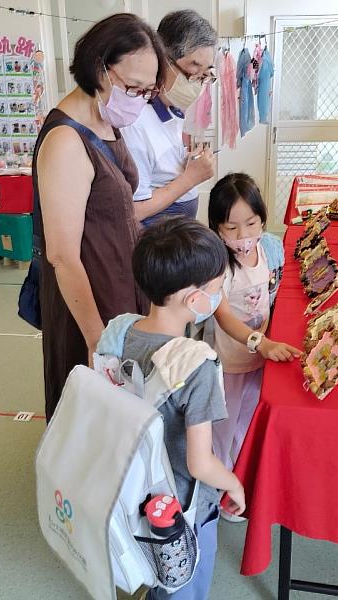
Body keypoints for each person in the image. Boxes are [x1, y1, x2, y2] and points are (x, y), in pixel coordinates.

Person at [33, 13, 166, 419]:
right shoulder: (65, 142)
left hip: (123, 281)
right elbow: (62, 255)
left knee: (127, 410)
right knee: (97, 409)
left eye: (147, 91)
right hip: (91, 294)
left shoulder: (107, 119)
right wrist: (97, 339)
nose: (139, 100)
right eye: (133, 87)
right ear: (99, 68)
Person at [112, 217, 245, 599]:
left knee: (154, 575)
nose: (217, 298)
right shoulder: (197, 365)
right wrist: (234, 484)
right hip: (182, 508)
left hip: (133, 491)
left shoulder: (122, 332)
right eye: (217, 290)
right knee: (184, 584)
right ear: (194, 300)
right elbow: (199, 464)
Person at [207, 173, 301, 515]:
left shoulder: (268, 249)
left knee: (246, 422)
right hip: (230, 362)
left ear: (263, 217)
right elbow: (223, 316)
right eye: (231, 227)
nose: (243, 235)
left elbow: (271, 296)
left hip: (260, 359)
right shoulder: (218, 265)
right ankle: (217, 494)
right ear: (217, 228)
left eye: (251, 222)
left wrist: (267, 340)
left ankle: (239, 482)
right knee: (222, 428)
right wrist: (259, 342)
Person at [120, 10, 217, 227]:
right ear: (163, 60)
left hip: (176, 233)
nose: (198, 84)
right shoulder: (135, 121)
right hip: (156, 241)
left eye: (205, 75)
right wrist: (190, 178)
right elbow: (134, 211)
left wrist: (189, 163)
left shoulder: (172, 108)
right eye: (193, 71)